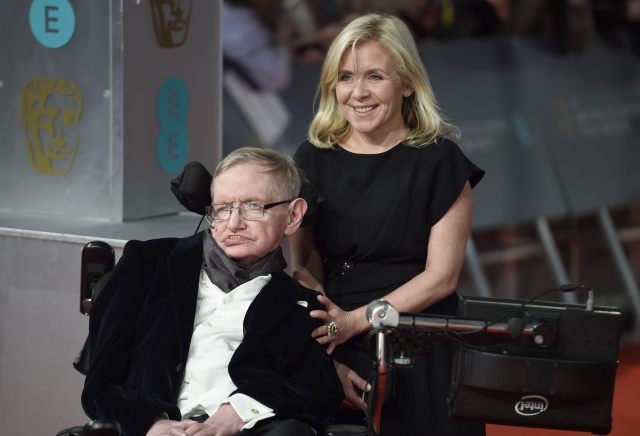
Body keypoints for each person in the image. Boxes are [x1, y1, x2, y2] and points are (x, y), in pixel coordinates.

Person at [289, 13, 485, 436]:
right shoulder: (311, 158)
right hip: (338, 343)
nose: (357, 93)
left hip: (421, 338)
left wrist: (354, 322)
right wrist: (328, 349)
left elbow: (440, 278)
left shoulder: (441, 162)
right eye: (345, 77)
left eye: (374, 76)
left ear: (407, 83)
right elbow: (302, 265)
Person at [81, 147, 343, 436]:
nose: (233, 223)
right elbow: (100, 386)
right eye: (222, 208)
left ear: (293, 215)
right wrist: (152, 424)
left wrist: (239, 412)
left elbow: (319, 388)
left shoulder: (300, 304)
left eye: (253, 207)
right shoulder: (148, 265)